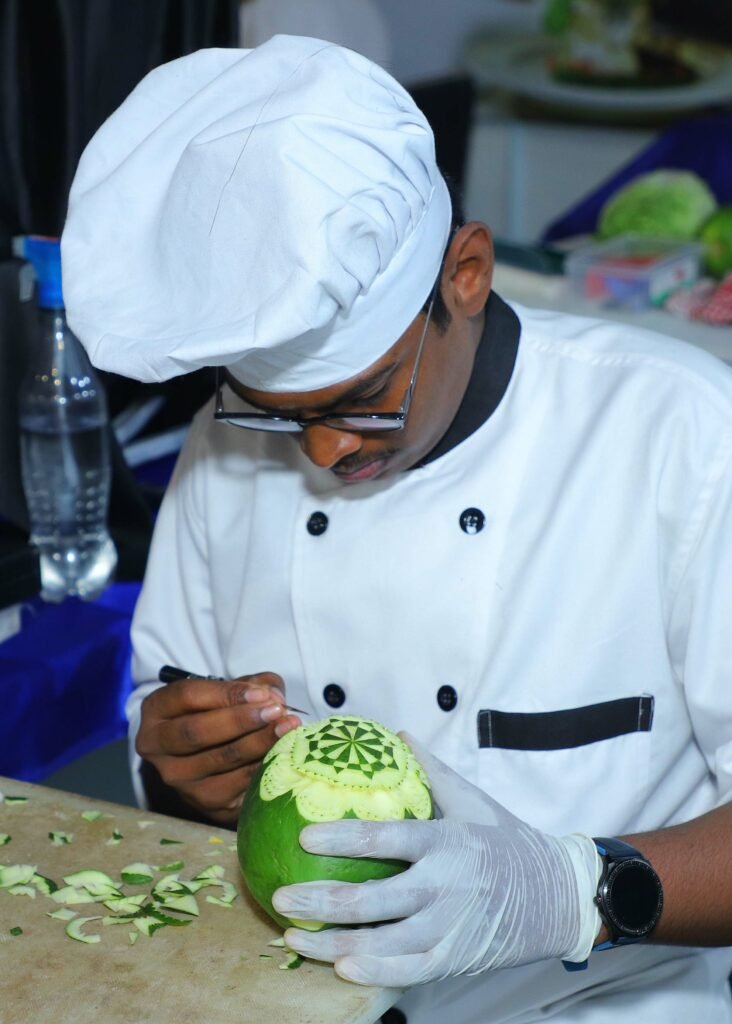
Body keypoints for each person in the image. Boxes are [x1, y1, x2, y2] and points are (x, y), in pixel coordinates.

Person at [60, 34, 732, 1024]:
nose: (325, 449)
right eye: (280, 415)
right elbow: (173, 722)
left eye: (365, 398)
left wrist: (571, 891)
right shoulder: (224, 448)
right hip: (292, 997)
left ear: (467, 274)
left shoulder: (682, 434)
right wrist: (184, 772)